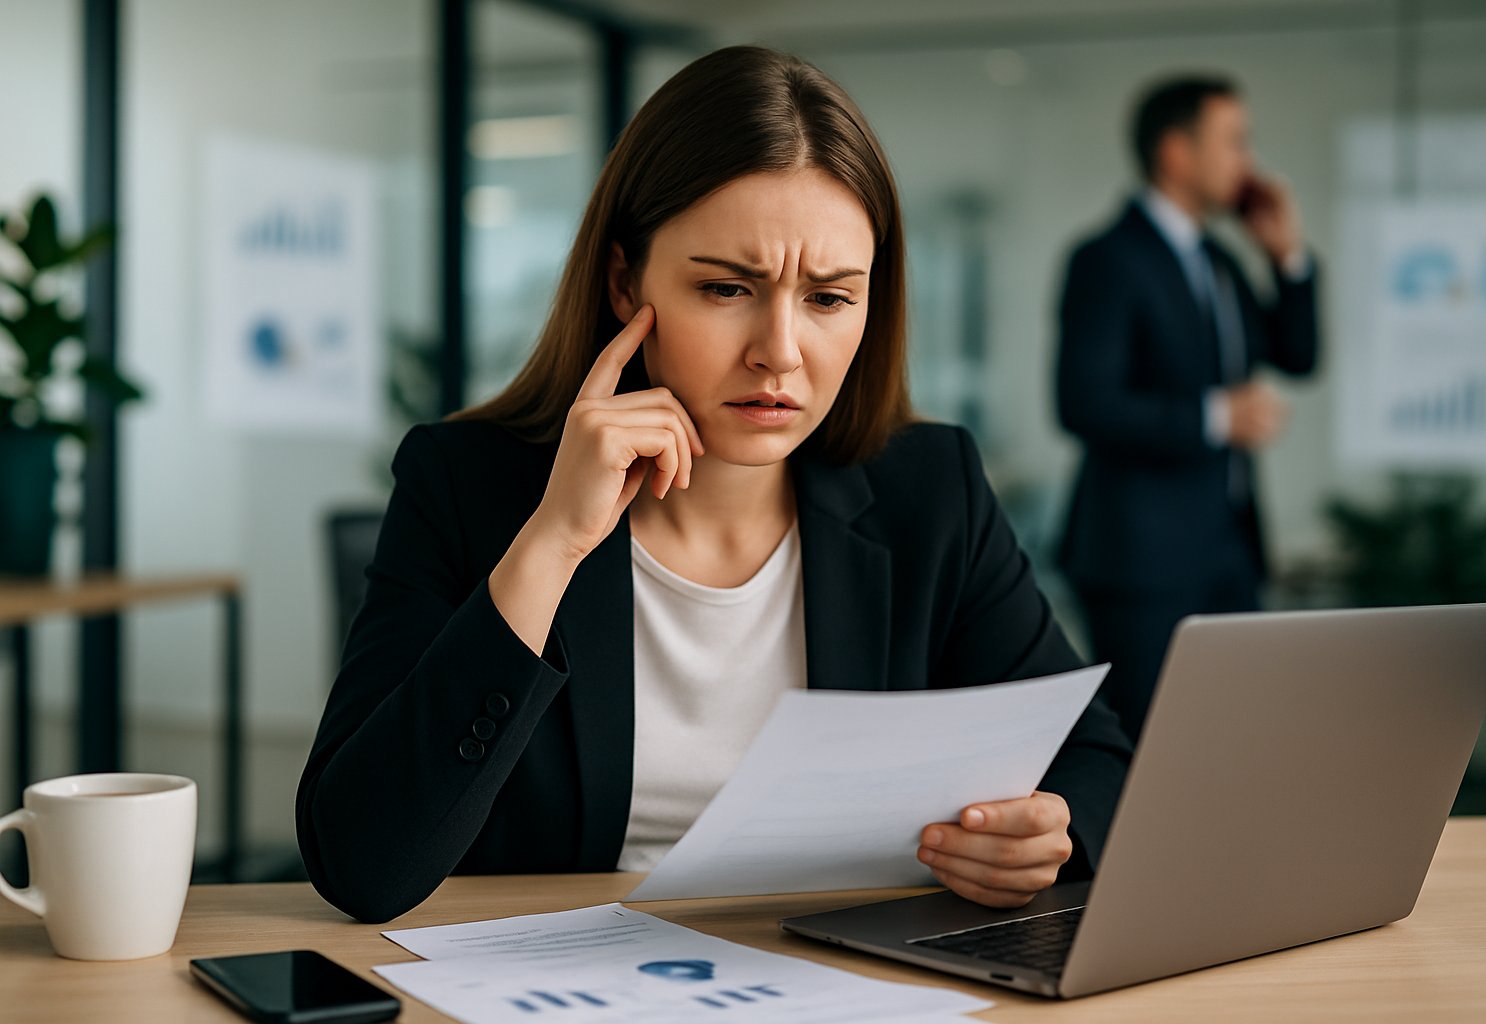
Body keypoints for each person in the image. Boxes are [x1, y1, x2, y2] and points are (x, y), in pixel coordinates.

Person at [296, 45, 1132, 924]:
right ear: (626, 283)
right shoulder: (468, 484)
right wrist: (552, 543)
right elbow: (362, 865)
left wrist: (1052, 830)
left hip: (840, 983)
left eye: (829, 299)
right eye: (729, 288)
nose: (779, 350)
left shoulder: (930, 489)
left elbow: (1095, 755)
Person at [1054, 75, 1320, 744]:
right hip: (1140, 558)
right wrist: (1214, 417)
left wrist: (1286, 257)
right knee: (1151, 750)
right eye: (1234, 142)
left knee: (1237, 742)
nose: (1247, 162)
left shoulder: (1222, 262)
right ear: (1176, 152)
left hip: (1229, 548)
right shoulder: (1106, 260)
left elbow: (1298, 354)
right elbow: (1082, 402)